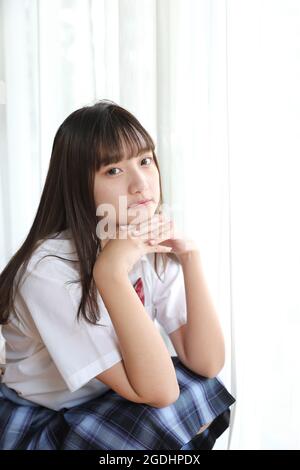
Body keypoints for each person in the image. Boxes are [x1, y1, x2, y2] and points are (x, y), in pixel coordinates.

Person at [0, 99, 235, 450]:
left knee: (199, 385)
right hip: (44, 417)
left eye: (145, 160)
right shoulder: (48, 271)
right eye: (113, 170)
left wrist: (190, 257)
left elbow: (207, 361)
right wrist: (109, 272)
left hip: (106, 396)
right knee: (167, 400)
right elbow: (159, 391)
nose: (141, 184)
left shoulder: (144, 242)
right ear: (79, 185)